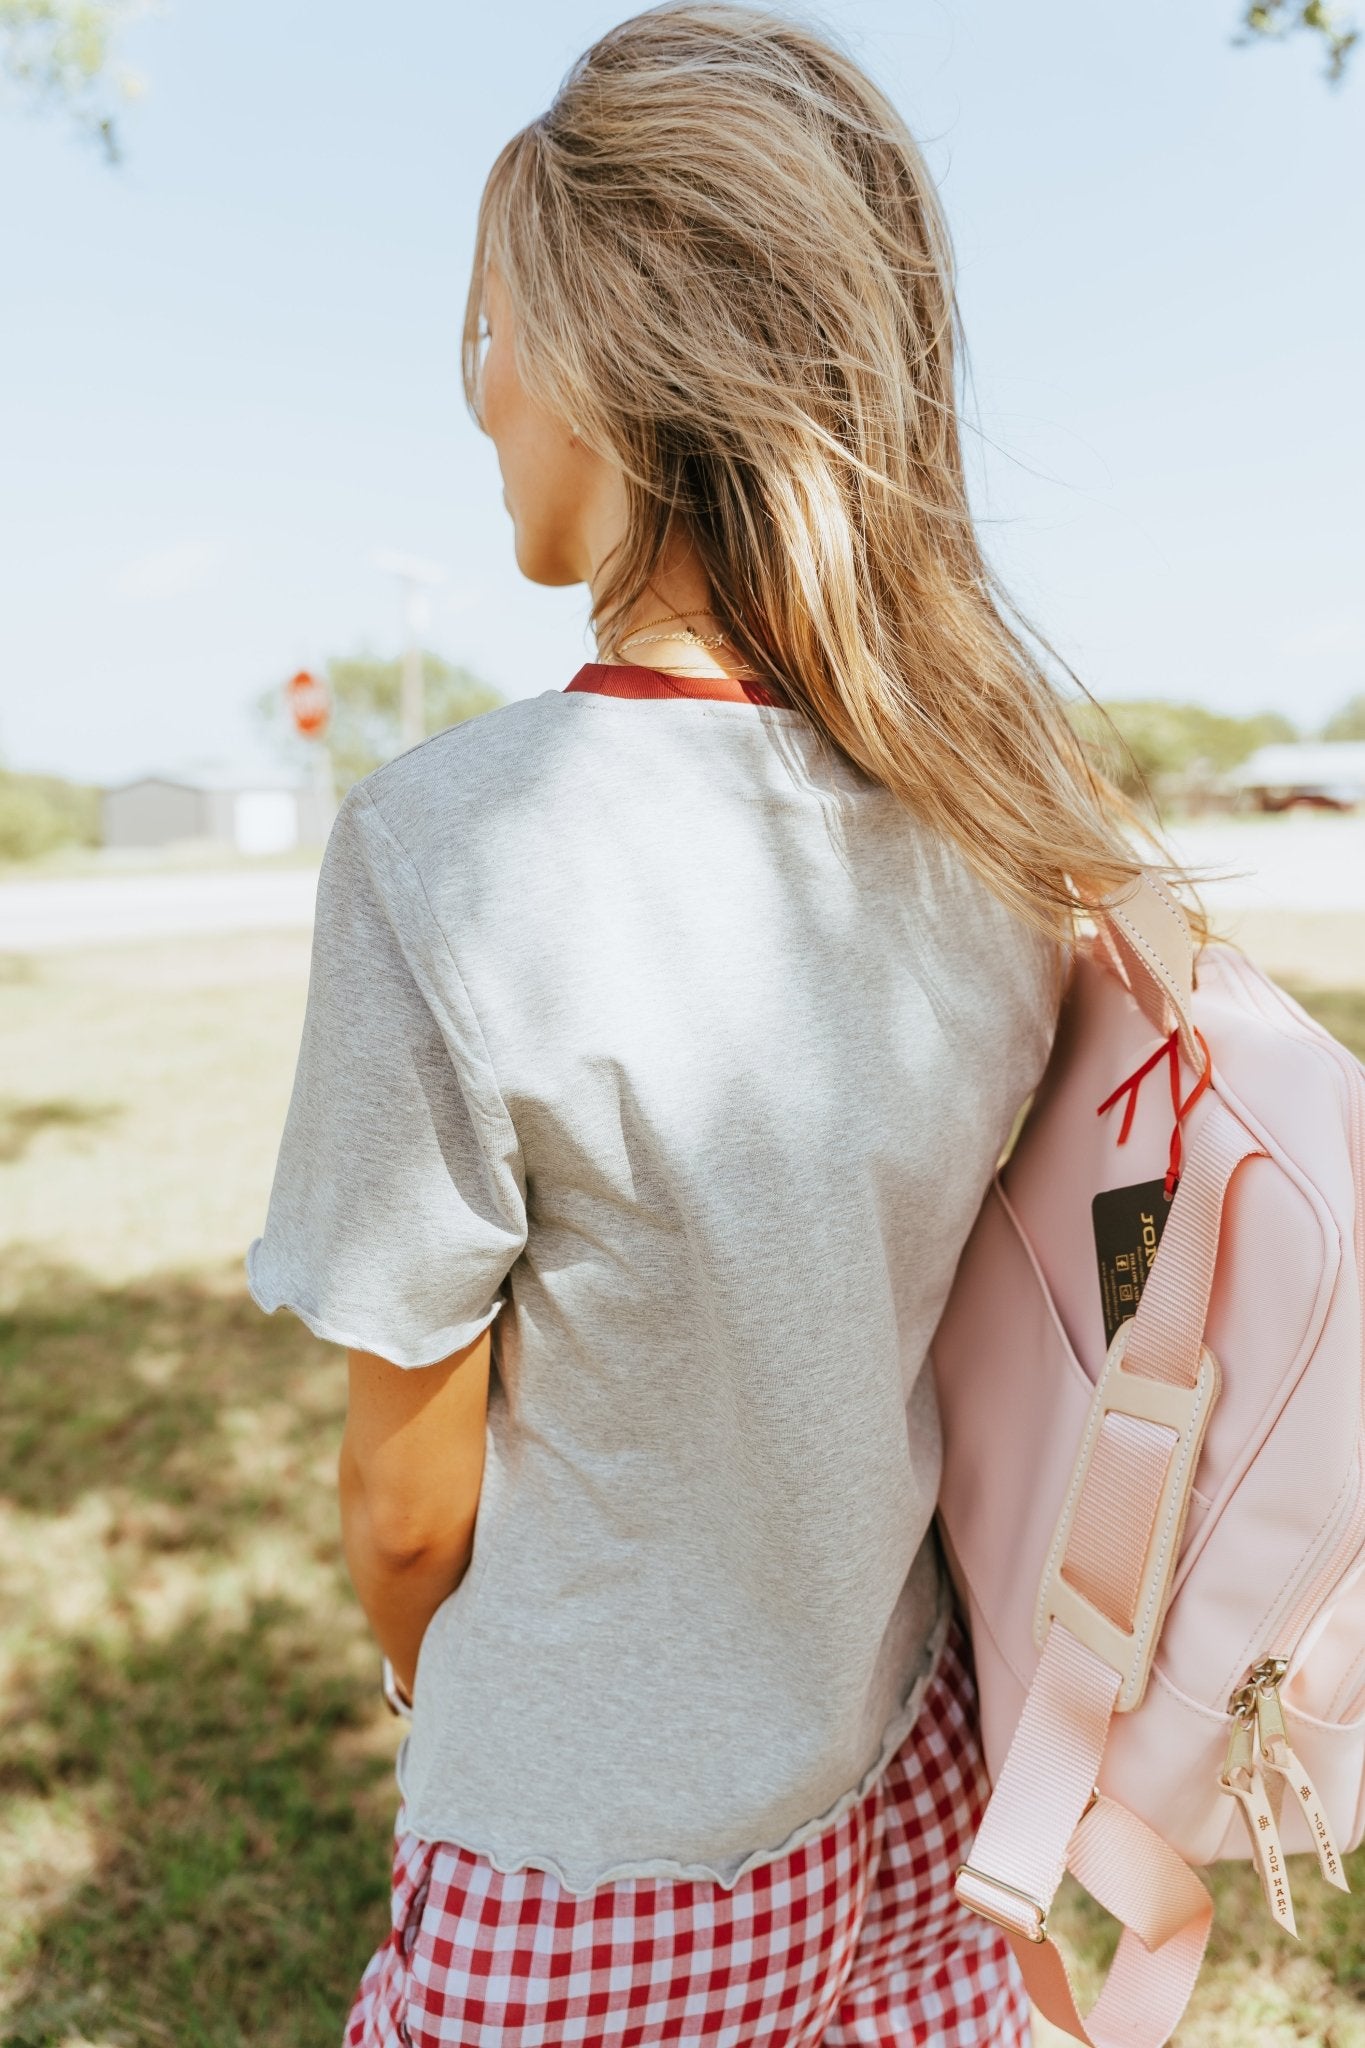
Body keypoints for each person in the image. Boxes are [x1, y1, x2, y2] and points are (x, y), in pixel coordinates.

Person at [246, 7, 1185, 2042]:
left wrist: (424, 1666)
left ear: (589, 360)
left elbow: (407, 1507)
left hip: (580, 1860)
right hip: (909, 1794)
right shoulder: (998, 839)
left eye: (483, 330)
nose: (474, 395)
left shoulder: (446, 850)